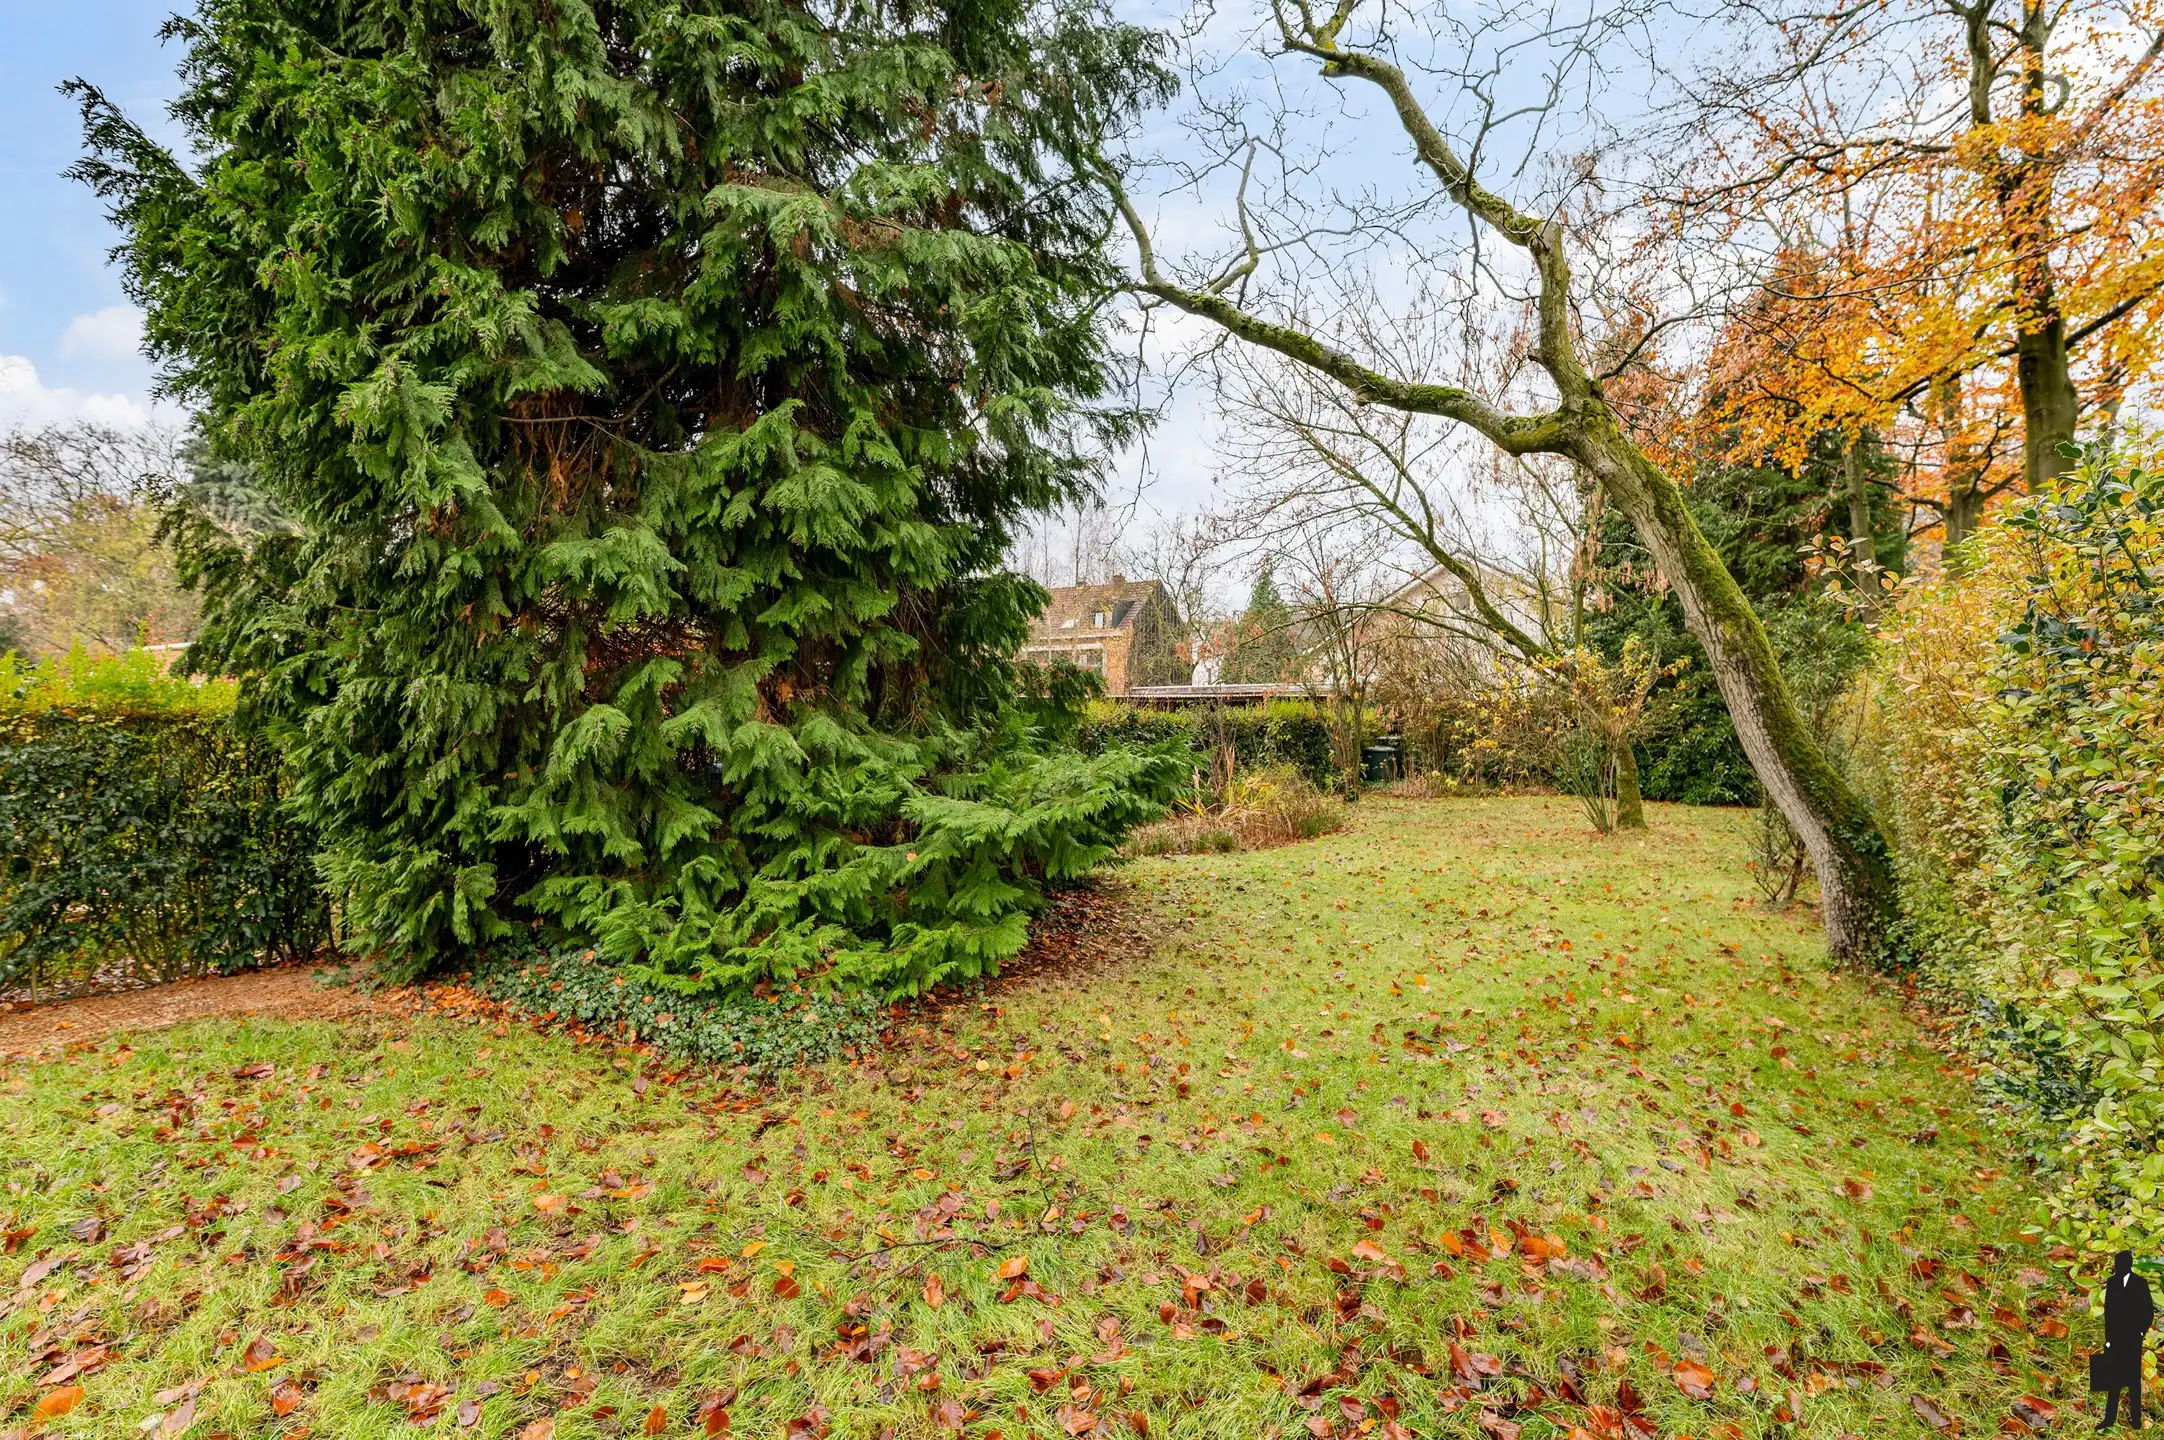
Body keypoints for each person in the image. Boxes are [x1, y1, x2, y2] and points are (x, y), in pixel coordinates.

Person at [2098, 1251, 2155, 1430]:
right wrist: (2108, 1339)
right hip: (2115, 1339)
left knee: (2132, 1380)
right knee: (2113, 1380)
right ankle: (2109, 1419)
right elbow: (2108, 1313)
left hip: (2132, 1338)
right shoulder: (2112, 1283)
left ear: (2128, 1264)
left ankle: (2136, 1421)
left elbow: (2148, 1311)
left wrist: (2140, 1333)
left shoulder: (2140, 1283)